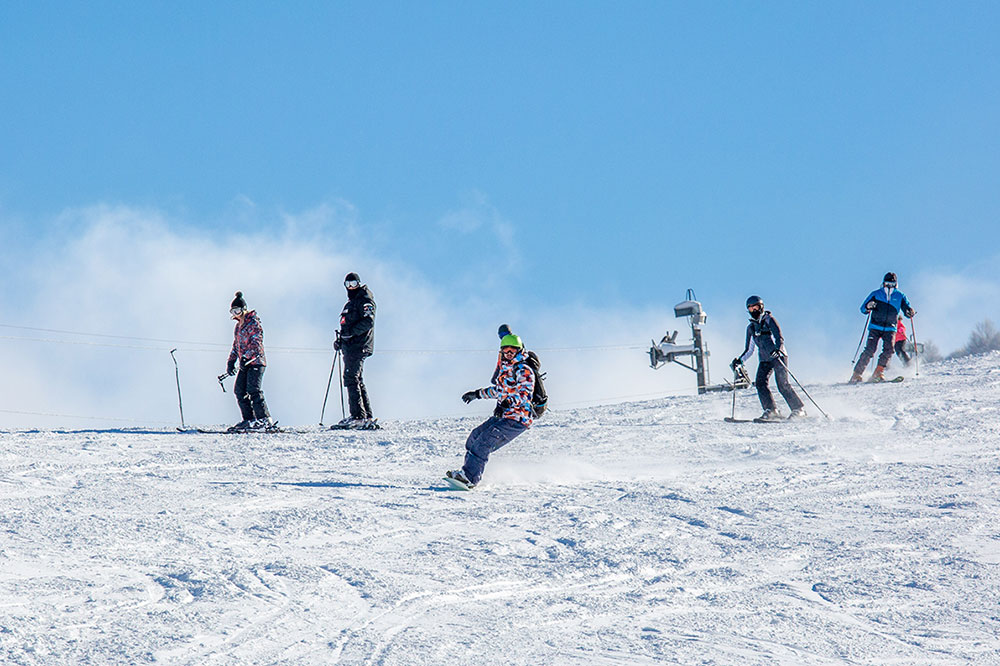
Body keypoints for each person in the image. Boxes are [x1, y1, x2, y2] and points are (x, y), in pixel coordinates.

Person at [446, 333, 536, 489]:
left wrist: (507, 403)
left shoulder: (524, 370)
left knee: (484, 441)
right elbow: (499, 391)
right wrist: (477, 394)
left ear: (519, 351)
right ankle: (465, 472)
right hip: (505, 415)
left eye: (512, 351)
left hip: (518, 418)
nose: (508, 354)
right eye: (505, 351)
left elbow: (524, 394)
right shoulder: (506, 370)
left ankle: (470, 478)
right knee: (475, 437)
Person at [731, 295, 805, 421]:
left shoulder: (769, 320)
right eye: (751, 308)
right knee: (760, 383)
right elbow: (749, 349)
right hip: (765, 359)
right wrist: (740, 360)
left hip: (778, 356)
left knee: (782, 384)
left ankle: (798, 409)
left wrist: (778, 349)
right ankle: (771, 410)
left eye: (756, 307)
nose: (754, 310)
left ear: (761, 307)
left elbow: (779, 338)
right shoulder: (751, 328)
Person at [850, 272, 915, 383]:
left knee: (889, 350)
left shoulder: (900, 296)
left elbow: (906, 309)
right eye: (887, 284)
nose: (889, 286)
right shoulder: (876, 294)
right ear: (883, 284)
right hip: (875, 326)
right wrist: (868, 306)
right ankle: (857, 374)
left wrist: (910, 312)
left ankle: (878, 372)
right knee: (870, 350)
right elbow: (863, 309)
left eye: (892, 284)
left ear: (896, 284)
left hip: (890, 328)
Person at [223, 291, 274, 431]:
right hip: (244, 364)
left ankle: (264, 419)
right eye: (233, 311)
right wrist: (231, 362)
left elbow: (256, 343)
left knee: (253, 389)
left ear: (244, 309)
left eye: (238, 310)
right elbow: (236, 346)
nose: (235, 313)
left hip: (256, 362)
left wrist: (247, 356)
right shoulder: (238, 326)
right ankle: (249, 420)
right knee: (239, 390)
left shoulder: (253, 323)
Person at [334, 272, 376, 428]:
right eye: (348, 284)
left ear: (359, 283)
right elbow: (346, 327)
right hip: (350, 346)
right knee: (356, 379)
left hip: (359, 345)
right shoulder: (350, 304)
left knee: (351, 377)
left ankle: (358, 416)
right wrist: (341, 340)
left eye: (354, 284)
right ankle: (366, 416)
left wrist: (352, 333)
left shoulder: (365, 300)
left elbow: (368, 322)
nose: (351, 287)